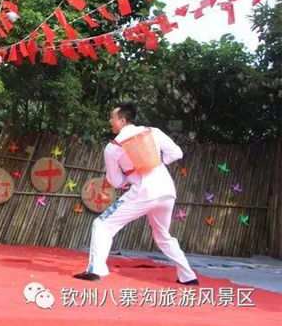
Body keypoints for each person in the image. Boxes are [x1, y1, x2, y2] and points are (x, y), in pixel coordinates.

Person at [74, 102, 198, 284]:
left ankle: (95, 270)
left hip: (143, 191)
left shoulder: (113, 147)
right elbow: (176, 153)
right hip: (166, 190)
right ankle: (188, 276)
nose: (110, 121)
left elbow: (115, 181)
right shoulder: (152, 132)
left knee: (102, 225)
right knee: (163, 236)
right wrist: (157, 162)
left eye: (112, 117)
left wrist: (128, 177)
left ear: (122, 120)